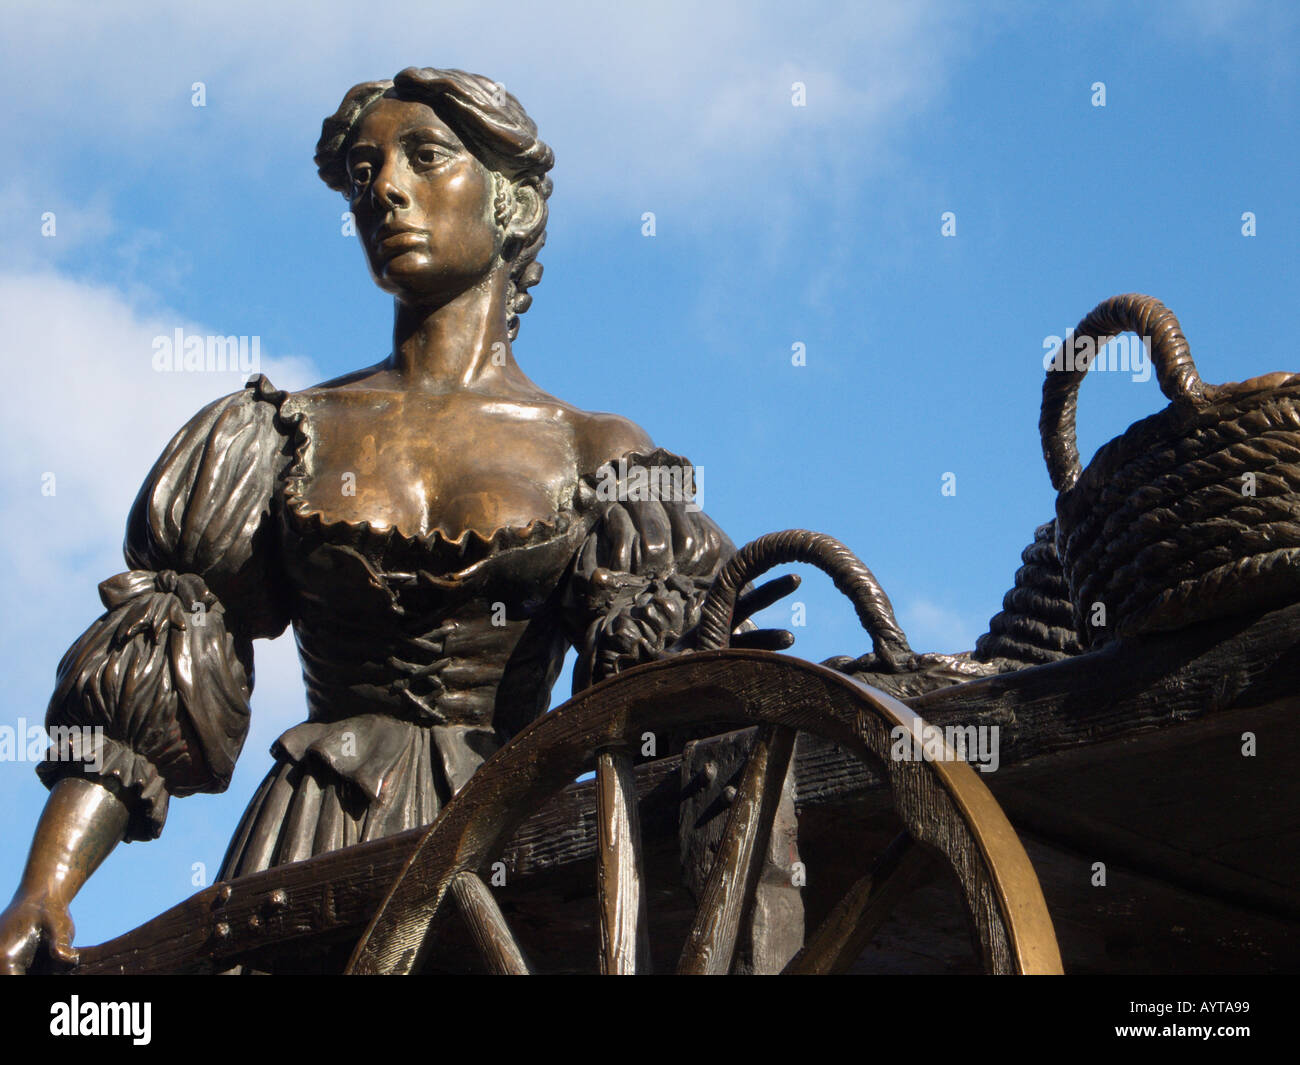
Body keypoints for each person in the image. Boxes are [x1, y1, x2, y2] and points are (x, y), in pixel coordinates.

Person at [0, 67, 791, 974]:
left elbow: (670, 692)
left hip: (504, 856)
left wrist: (688, 649)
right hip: (307, 845)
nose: (387, 188)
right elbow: (147, 677)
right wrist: (44, 889)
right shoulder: (277, 434)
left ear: (514, 207)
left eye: (425, 157)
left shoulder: (597, 452)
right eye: (366, 169)